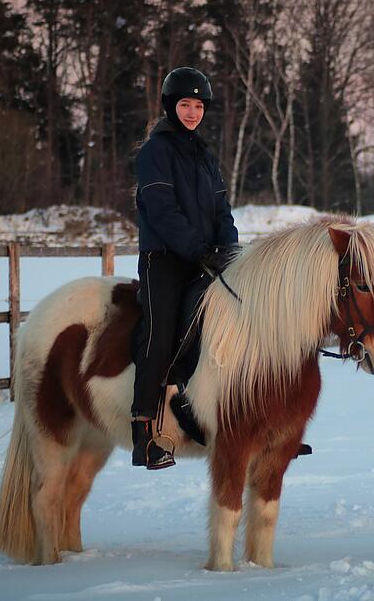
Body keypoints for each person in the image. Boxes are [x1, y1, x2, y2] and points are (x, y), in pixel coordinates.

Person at [132, 67, 240, 470]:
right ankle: (142, 432)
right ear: (170, 107)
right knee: (159, 334)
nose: (192, 112)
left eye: (198, 106)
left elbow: (221, 209)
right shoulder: (155, 151)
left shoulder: (204, 156)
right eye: (185, 104)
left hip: (202, 258)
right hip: (164, 259)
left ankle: (198, 404)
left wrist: (228, 249)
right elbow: (162, 211)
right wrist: (198, 249)